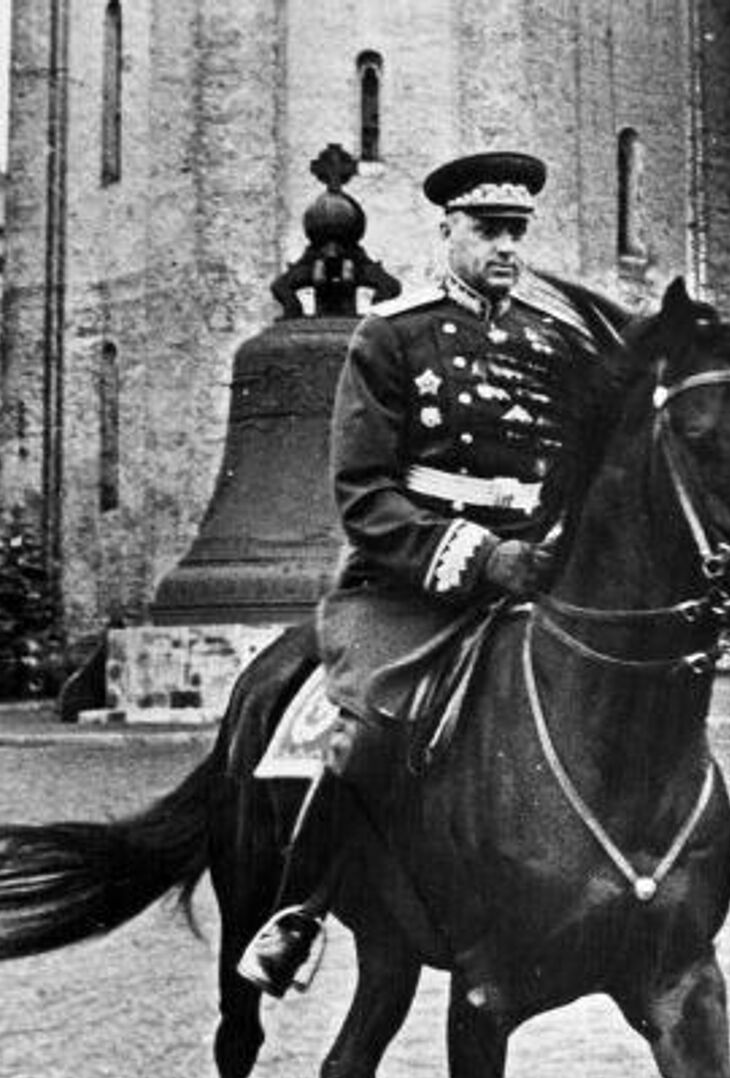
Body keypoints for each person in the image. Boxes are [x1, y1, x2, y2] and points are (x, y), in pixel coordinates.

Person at [237, 149, 626, 998]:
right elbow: (364, 496)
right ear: (447, 230)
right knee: (366, 731)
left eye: (517, 231)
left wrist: (563, 547)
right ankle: (301, 909)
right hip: (411, 585)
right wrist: (482, 557)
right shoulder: (391, 336)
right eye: (488, 230)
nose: (506, 248)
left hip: (537, 575)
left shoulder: (553, 341)